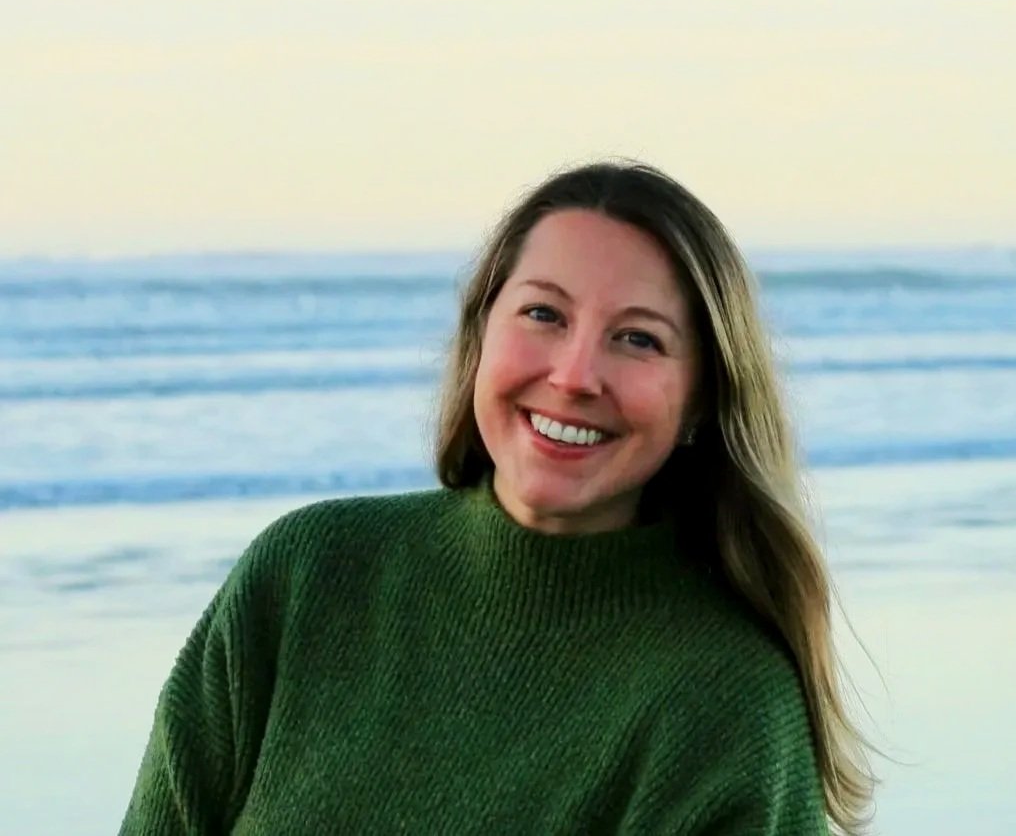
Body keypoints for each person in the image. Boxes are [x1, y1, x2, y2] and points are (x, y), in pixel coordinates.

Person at [120, 161, 875, 835]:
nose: (574, 376)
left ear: (702, 399)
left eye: (638, 338)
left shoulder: (724, 705)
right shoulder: (307, 576)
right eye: (544, 314)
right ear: (480, 331)